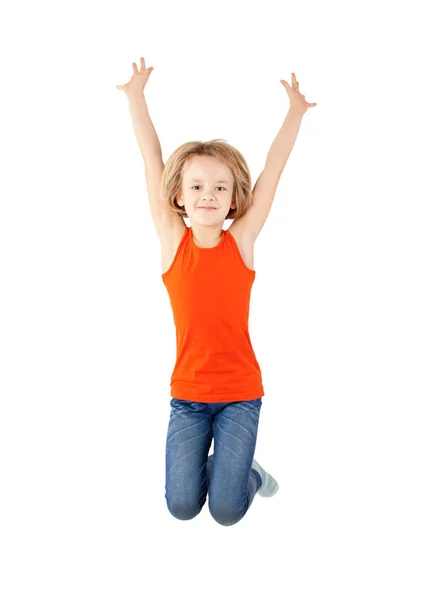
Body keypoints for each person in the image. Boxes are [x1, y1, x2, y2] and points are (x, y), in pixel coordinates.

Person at [116, 58, 317, 527]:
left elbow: (273, 170)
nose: (208, 194)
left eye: (220, 187)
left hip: (240, 394)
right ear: (180, 196)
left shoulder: (241, 242)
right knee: (182, 507)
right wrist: (136, 97)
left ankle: (243, 474)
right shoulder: (173, 241)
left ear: (233, 199)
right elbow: (151, 158)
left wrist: (295, 112)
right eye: (198, 186)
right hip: (188, 396)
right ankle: (223, 468)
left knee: (227, 511)